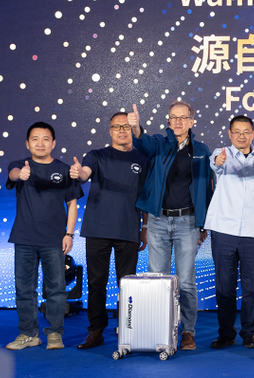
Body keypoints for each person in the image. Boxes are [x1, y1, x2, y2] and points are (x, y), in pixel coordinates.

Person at [129, 100, 214, 351]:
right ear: (168, 122)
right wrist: (136, 129)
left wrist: (203, 224)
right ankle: (161, 328)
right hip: (157, 221)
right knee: (158, 279)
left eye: (183, 117)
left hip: (187, 222)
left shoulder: (201, 150)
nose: (177, 121)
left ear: (191, 121)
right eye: (173, 118)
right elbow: (143, 142)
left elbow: (207, 190)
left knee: (186, 281)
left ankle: (188, 331)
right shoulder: (159, 144)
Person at [69, 113, 148, 350]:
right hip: (98, 229)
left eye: (126, 126)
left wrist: (145, 227)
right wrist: (78, 173)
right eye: (117, 127)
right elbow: (85, 173)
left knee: (128, 284)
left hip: (128, 229)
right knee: (96, 283)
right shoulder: (96, 155)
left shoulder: (143, 158)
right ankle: (96, 331)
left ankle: (128, 329)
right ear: (110, 130)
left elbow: (145, 195)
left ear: (133, 129)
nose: (122, 130)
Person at [4, 122, 84, 351]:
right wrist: (21, 174)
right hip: (24, 238)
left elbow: (72, 204)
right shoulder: (20, 166)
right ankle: (29, 334)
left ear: (54, 143)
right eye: (35, 139)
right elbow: (13, 174)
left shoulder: (64, 169)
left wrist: (69, 234)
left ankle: (55, 333)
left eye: (46, 139)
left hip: (54, 239)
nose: (40, 143)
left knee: (56, 289)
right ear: (28, 143)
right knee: (25, 289)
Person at [206, 115, 254, 349]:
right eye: (236, 131)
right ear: (229, 133)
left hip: (253, 231)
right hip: (224, 229)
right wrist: (218, 161)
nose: (241, 135)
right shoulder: (222, 153)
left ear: (253, 134)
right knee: (224, 286)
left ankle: (250, 333)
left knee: (252, 286)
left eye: (246, 131)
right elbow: (214, 164)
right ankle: (226, 333)